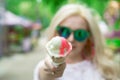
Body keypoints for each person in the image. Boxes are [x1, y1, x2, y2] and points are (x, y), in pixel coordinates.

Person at [34, 4, 119, 80]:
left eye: (80, 34)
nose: (71, 39)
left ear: (89, 38)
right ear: (55, 32)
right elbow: (45, 74)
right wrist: (54, 67)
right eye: (64, 31)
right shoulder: (44, 66)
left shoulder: (104, 68)